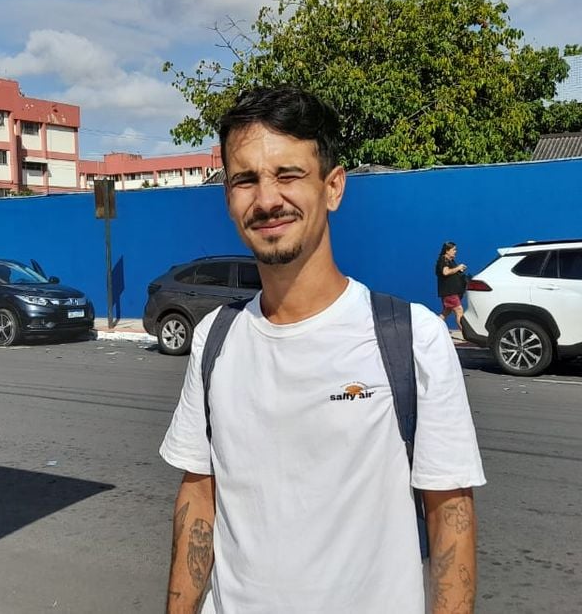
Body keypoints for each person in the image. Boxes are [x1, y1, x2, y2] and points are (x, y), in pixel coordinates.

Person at [160, 87, 485, 613]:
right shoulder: (215, 340)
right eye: (246, 179)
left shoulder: (410, 337)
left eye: (288, 174)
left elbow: (449, 513)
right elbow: (199, 497)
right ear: (228, 197)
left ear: (333, 188)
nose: (267, 200)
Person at [436, 242, 469, 329]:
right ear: (447, 251)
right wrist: (458, 268)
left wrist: (460, 271)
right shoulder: (443, 259)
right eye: (453, 249)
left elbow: (452, 272)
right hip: (449, 292)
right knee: (459, 310)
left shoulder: (451, 261)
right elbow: (445, 272)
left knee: (446, 311)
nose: (455, 251)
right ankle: (465, 333)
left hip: (453, 292)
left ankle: (433, 327)